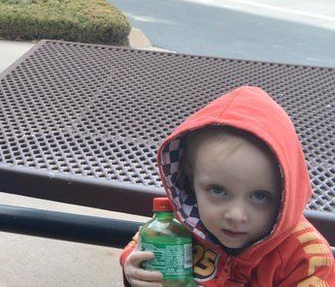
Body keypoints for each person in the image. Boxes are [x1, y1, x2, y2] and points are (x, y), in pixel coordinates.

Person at [121, 86, 334, 286]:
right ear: (190, 180)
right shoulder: (178, 225)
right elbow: (139, 247)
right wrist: (134, 268)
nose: (235, 215)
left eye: (260, 196)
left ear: (285, 195)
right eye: (217, 190)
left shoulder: (305, 257)